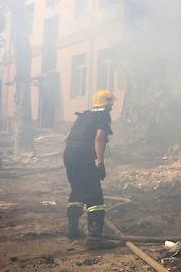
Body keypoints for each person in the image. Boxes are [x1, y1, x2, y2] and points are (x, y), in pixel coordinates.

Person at [63, 90, 119, 249]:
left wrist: (74, 154)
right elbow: (99, 138)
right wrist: (100, 163)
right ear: (106, 103)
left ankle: (72, 230)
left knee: (78, 190)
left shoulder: (83, 115)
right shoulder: (102, 116)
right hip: (82, 159)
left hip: (69, 156)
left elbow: (66, 138)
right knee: (94, 196)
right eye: (111, 102)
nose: (112, 106)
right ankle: (94, 238)